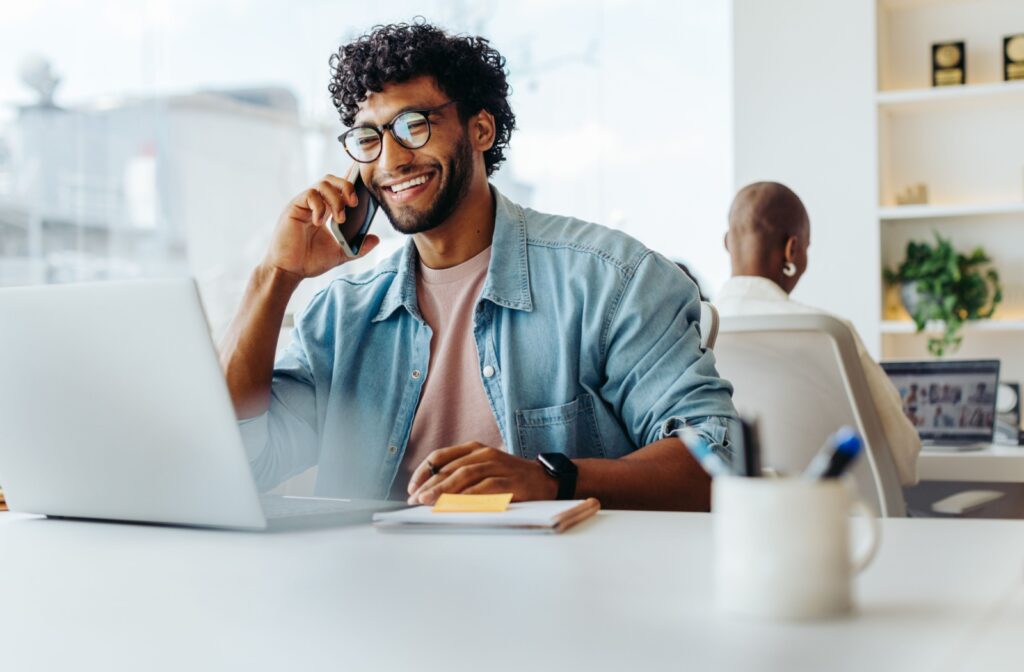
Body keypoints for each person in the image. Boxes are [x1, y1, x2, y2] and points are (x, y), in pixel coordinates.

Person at [219, 21, 737, 511]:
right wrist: (276, 276)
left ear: (481, 129)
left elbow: (718, 459)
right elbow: (240, 462)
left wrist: (552, 478)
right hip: (371, 591)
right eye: (370, 138)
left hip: (556, 591)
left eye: (413, 126)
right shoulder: (341, 317)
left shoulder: (610, 280)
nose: (391, 160)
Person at [715, 181, 920, 485]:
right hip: (843, 525)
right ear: (792, 249)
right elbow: (902, 460)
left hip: (743, 524)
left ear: (727, 243)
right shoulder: (830, 333)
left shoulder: (696, 331)